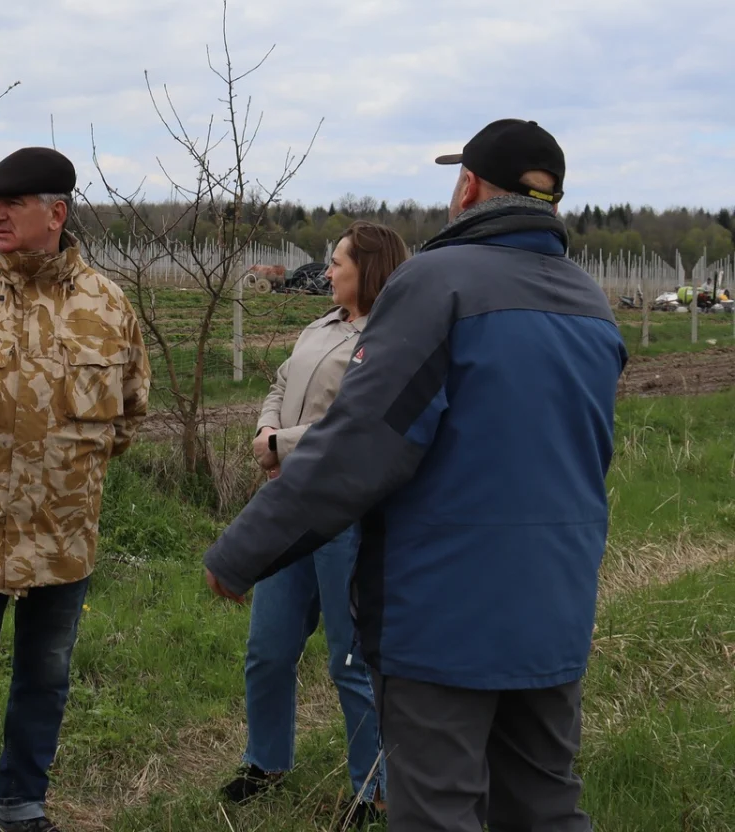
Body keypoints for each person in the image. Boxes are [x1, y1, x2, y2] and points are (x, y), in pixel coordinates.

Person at [203, 120, 625, 832]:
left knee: (438, 809)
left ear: (467, 188)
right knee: (544, 807)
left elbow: (359, 446)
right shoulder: (589, 301)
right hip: (555, 609)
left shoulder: (437, 283)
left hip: (442, 619)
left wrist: (244, 553)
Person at [0, 146, 150, 832]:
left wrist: (59, 474)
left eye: (14, 204)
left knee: (46, 677)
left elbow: (128, 413)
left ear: (56, 213)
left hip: (62, 534)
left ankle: (21, 804)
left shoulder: (107, 306)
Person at [222, 221, 409, 826]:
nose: (327, 273)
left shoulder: (386, 339)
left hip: (342, 517)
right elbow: (280, 381)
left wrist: (282, 444)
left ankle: (371, 791)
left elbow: (358, 424)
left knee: (348, 658)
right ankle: (266, 761)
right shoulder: (320, 326)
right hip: (289, 510)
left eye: (338, 264)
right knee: (268, 648)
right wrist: (264, 429)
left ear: (370, 269)